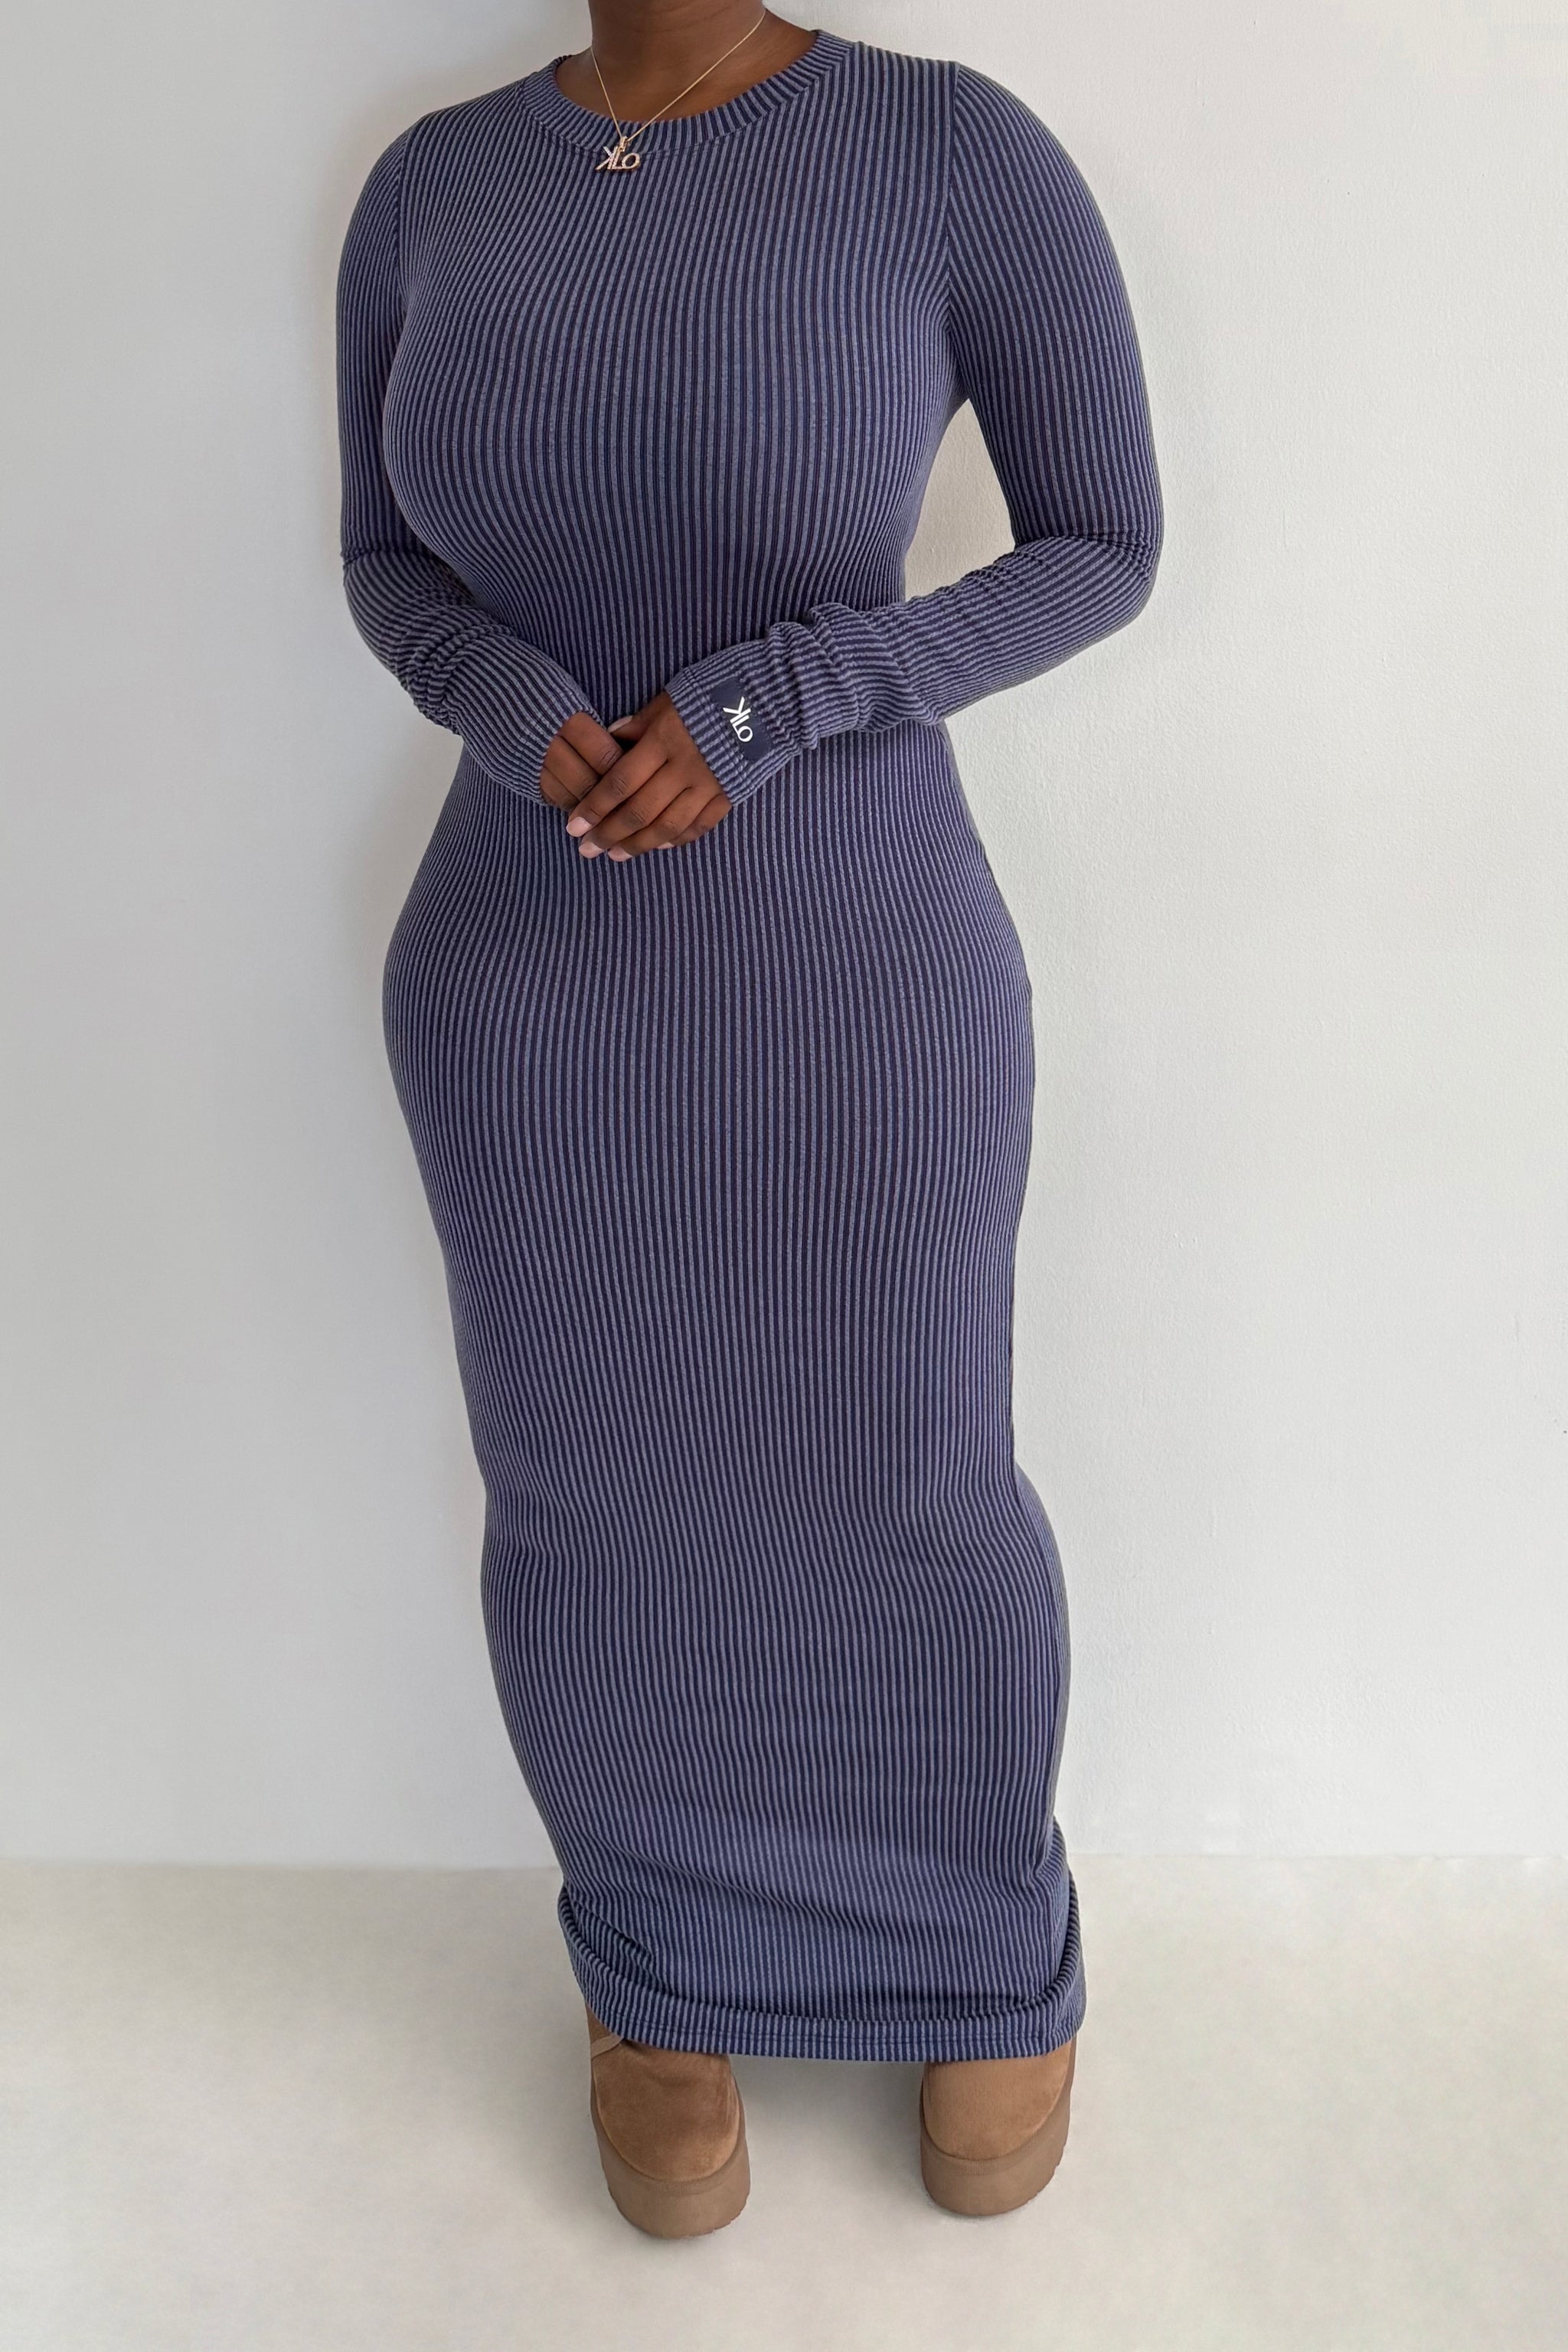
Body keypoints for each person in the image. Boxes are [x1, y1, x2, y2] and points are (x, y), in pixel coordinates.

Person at [335, 3, 1162, 2236]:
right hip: (533, 972)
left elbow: (1104, 540)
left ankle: (981, 1960)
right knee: (589, 1492)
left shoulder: (946, 148)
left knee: (908, 1472)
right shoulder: (434, 190)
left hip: (858, 964)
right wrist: (516, 706)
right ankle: (659, 1977)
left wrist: (779, 698)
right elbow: (384, 559)